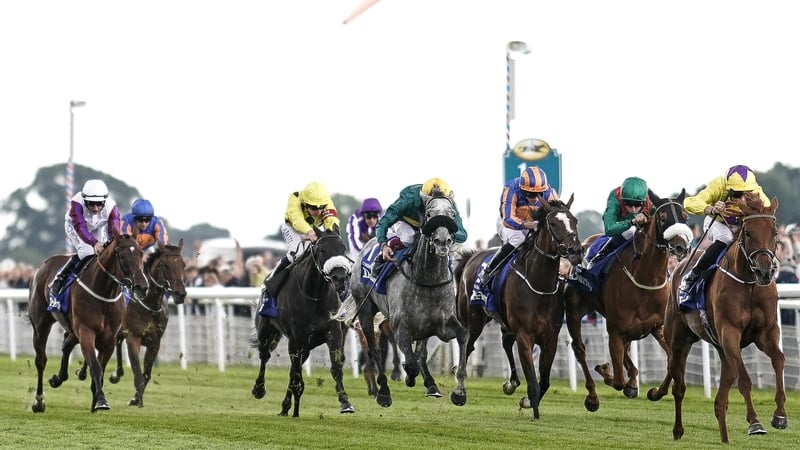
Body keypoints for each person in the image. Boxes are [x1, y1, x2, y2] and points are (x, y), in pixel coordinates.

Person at [678, 165, 771, 300]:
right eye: (736, 195)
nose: (742, 200)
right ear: (728, 189)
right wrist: (709, 208)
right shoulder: (718, 185)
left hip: (741, 226)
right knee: (727, 238)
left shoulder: (759, 194)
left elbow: (767, 214)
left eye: (747, 194)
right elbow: (689, 202)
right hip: (717, 222)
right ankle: (693, 275)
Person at [471, 166, 559, 304]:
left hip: (533, 224)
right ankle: (487, 272)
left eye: (540, 194)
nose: (536, 198)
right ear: (523, 190)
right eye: (530, 195)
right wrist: (528, 225)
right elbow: (508, 219)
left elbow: (557, 216)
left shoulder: (550, 192)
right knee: (518, 239)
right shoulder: (511, 188)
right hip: (510, 224)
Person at [261, 181, 340, 297]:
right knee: (297, 253)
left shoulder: (326, 201)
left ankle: (341, 293)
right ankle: (271, 282)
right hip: (293, 227)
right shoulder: (295, 198)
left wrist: (332, 235)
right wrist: (308, 231)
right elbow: (296, 219)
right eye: (313, 208)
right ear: (305, 204)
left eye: (321, 208)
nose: (318, 212)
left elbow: (332, 221)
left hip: (314, 228)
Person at [375, 177, 467, 271]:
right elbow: (383, 222)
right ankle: (381, 259)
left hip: (433, 225)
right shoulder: (408, 198)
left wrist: (449, 233)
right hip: (406, 221)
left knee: (454, 246)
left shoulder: (449, 204)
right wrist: (383, 245)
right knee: (408, 237)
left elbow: (463, 234)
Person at [50, 179, 122, 298]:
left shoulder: (111, 207)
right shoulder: (76, 203)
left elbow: (114, 232)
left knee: (105, 253)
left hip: (98, 227)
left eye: (99, 204)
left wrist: (112, 244)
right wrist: (94, 243)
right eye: (91, 203)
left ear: (104, 201)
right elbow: (80, 227)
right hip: (75, 227)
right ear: (84, 200)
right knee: (87, 251)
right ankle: (60, 278)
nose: (95, 207)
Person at [585, 176, 653, 269]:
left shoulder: (649, 201)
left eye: (637, 205)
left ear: (644, 202)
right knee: (630, 230)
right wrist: (631, 222)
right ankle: (601, 255)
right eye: (629, 203)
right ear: (623, 200)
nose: (633, 209)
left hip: (642, 232)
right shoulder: (615, 197)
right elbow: (609, 229)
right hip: (620, 231)